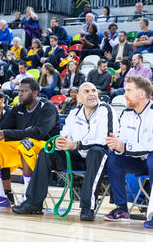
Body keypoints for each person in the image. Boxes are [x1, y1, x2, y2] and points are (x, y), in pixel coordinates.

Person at [13, 82, 117, 220]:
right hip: (78, 157)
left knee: (96, 151)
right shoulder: (74, 113)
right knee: (47, 152)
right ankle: (33, 203)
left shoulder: (106, 110)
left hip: (101, 159)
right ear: (79, 97)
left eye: (94, 90)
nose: (92, 94)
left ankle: (87, 207)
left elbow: (106, 141)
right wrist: (58, 142)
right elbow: (64, 135)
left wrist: (76, 144)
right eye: (86, 91)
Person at [0, 78, 60, 206]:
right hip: (23, 145)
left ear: (35, 93)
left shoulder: (47, 106)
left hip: (46, 147)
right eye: (19, 90)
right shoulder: (17, 108)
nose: (19, 94)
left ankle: (28, 195)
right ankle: (0, 196)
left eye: (24, 91)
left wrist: (5, 133)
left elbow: (39, 133)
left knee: (26, 143)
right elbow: (5, 127)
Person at [103, 76, 152, 224]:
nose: (124, 94)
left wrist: (125, 147)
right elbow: (122, 140)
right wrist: (117, 146)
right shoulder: (126, 113)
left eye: (129, 90)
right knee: (113, 157)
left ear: (141, 94)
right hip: (137, 161)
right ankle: (122, 209)